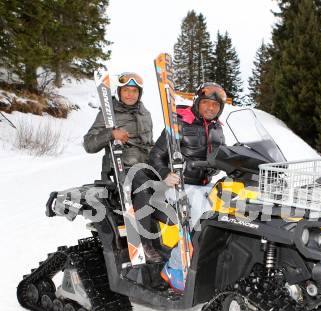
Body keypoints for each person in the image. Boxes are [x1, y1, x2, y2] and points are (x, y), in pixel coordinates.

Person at [149, 82, 227, 291]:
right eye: (207, 103)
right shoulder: (179, 123)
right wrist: (166, 174)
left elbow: (225, 157)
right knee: (203, 216)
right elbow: (155, 155)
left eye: (215, 105)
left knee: (229, 211)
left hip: (203, 185)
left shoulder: (218, 129)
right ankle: (174, 267)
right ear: (198, 102)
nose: (211, 108)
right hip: (176, 185)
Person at [83, 72, 163, 264]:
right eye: (126, 90)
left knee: (173, 187)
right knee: (144, 188)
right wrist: (111, 134)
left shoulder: (145, 113)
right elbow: (89, 144)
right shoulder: (108, 113)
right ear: (119, 92)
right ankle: (143, 243)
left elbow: (149, 143)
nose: (130, 94)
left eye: (134, 90)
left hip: (146, 165)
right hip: (123, 167)